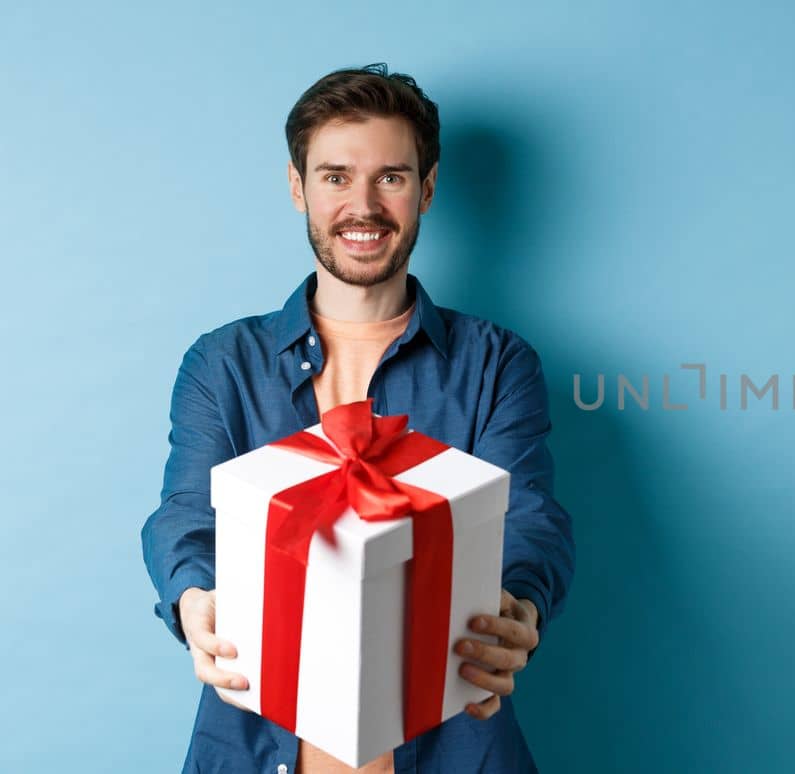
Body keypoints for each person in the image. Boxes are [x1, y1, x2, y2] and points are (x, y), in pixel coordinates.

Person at [139, 63, 575, 774]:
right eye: (337, 177)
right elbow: (186, 513)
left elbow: (528, 516)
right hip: (254, 749)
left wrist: (518, 604)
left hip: (458, 747)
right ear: (297, 187)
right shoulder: (223, 364)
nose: (363, 206)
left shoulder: (497, 362)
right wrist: (192, 595)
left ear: (427, 189)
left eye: (391, 178)